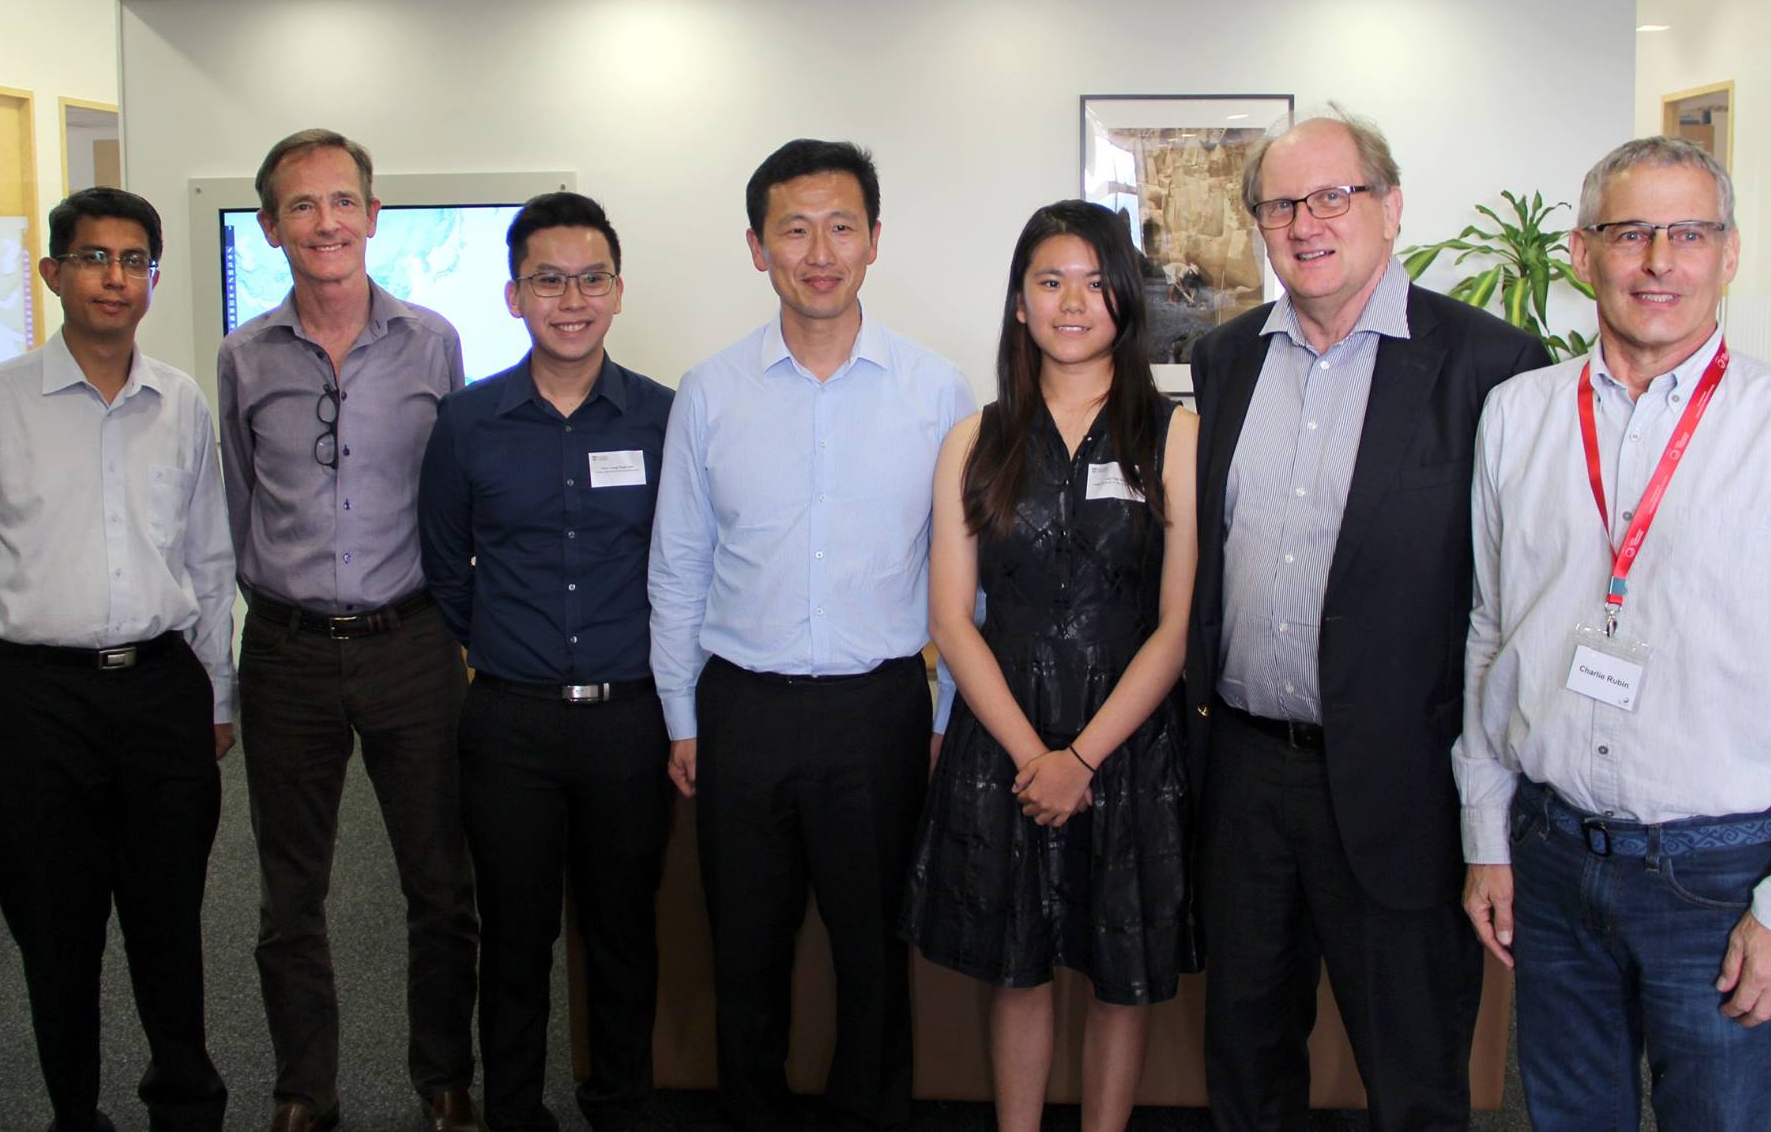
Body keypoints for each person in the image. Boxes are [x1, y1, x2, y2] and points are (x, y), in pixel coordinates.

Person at [1455, 136, 1771, 1132]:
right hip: (1552, 857)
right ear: (1581, 253)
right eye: (1629, 232)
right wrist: (1487, 835)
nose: (1658, 260)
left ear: (1728, 254)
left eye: (1687, 233)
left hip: (1720, 875)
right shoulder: (1515, 417)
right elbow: (1491, 634)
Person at [1185, 111, 1549, 1130]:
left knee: (1412, 1067)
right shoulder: (1226, 363)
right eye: (1279, 205)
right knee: (1246, 1053)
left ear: (1389, 208)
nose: (1304, 223)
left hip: (1401, 782)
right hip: (1246, 778)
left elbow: (1514, 601)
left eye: (1331, 196)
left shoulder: (1490, 366)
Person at [648, 138, 975, 1131]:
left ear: (873, 240)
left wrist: (944, 714)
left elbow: (962, 579)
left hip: (879, 708)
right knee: (743, 954)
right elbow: (678, 564)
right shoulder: (709, 391)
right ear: (757, 247)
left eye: (840, 226)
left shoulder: (934, 391)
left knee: (875, 958)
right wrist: (679, 715)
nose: (818, 249)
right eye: (793, 228)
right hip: (739, 709)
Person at [0, 186, 234, 1132]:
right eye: (95, 258)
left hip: (162, 691)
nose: (115, 277)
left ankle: (185, 1103)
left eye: (134, 260)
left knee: (168, 919)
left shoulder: (180, 403)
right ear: (55, 273)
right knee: (54, 933)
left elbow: (209, 564)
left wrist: (218, 697)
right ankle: (75, 1112)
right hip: (32, 700)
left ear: (152, 278)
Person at [903, 200, 1200, 1132]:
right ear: (1020, 305)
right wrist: (1038, 754)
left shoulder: (1175, 435)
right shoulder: (974, 438)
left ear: (1127, 297)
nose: (1074, 302)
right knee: (1018, 963)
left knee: (1121, 975)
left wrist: (1084, 757)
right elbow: (952, 620)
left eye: (1094, 279)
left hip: (1130, 737)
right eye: (1049, 280)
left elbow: (1178, 626)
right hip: (1004, 736)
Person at [217, 128, 478, 1132]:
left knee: (440, 887)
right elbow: (238, 505)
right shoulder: (244, 358)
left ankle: (445, 1082)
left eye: (341, 202)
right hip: (284, 653)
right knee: (290, 898)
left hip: (411, 646)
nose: (324, 222)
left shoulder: (432, 342)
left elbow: (455, 497)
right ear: (274, 226)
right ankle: (302, 1091)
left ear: (372, 216)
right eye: (300, 205)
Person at [418, 192, 675, 1132]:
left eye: (591, 278)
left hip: (627, 719)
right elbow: (446, 571)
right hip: (511, 722)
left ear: (617, 289)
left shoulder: (663, 418)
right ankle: (516, 1110)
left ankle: (619, 1105)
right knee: (516, 939)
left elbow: (684, 564)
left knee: (622, 933)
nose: (572, 299)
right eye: (548, 280)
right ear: (514, 294)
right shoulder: (468, 422)